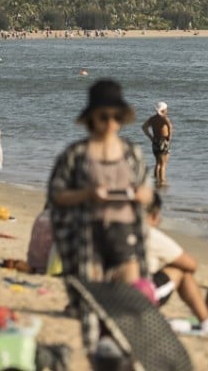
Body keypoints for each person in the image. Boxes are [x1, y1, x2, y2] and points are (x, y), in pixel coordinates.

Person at [47, 79, 152, 352]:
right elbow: (57, 195)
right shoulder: (76, 155)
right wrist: (87, 194)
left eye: (116, 117)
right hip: (88, 234)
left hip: (125, 234)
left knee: (127, 308)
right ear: (92, 117)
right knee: (92, 312)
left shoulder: (132, 153)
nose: (110, 122)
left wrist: (141, 195)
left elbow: (148, 194)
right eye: (104, 116)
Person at [145, 192, 208, 336]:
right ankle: (207, 321)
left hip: (106, 293)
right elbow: (191, 264)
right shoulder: (149, 234)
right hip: (135, 297)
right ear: (154, 215)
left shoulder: (110, 227)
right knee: (181, 270)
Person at [142, 101, 172, 186]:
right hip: (163, 141)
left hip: (155, 141)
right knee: (163, 164)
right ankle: (162, 182)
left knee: (158, 163)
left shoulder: (152, 119)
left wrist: (150, 137)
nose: (167, 110)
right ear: (163, 110)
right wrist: (169, 137)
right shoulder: (164, 118)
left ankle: (156, 181)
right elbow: (170, 127)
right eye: (166, 109)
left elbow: (144, 127)